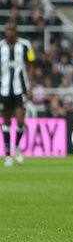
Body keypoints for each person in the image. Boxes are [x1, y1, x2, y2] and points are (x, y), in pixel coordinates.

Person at [1, 22, 34, 167]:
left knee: (20, 121)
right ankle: (8, 155)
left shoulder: (25, 46)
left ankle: (16, 145)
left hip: (20, 89)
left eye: (12, 29)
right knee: (6, 121)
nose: (10, 32)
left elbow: (31, 65)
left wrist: (30, 86)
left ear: (16, 31)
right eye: (7, 29)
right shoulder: (0, 47)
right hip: (4, 90)